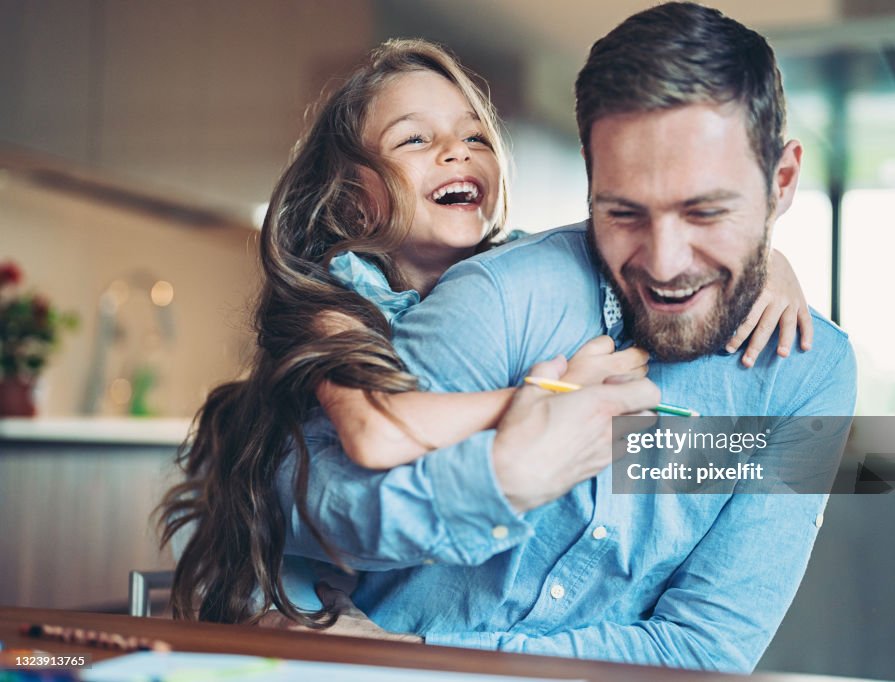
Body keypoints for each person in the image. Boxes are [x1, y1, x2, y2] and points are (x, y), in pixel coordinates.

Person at [272, 2, 856, 673]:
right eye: (624, 212)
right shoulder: (501, 292)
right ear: (591, 177)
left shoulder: (810, 376)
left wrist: (420, 659)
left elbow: (705, 649)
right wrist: (508, 472)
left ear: (780, 183)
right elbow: (302, 505)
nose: (665, 264)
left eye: (707, 211)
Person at [159, 34, 810, 631]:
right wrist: (543, 396)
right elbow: (376, 430)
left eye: (474, 137)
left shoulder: (515, 277)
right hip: (285, 596)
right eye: (414, 140)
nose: (454, 151)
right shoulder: (334, 295)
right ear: (353, 197)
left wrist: (765, 263)